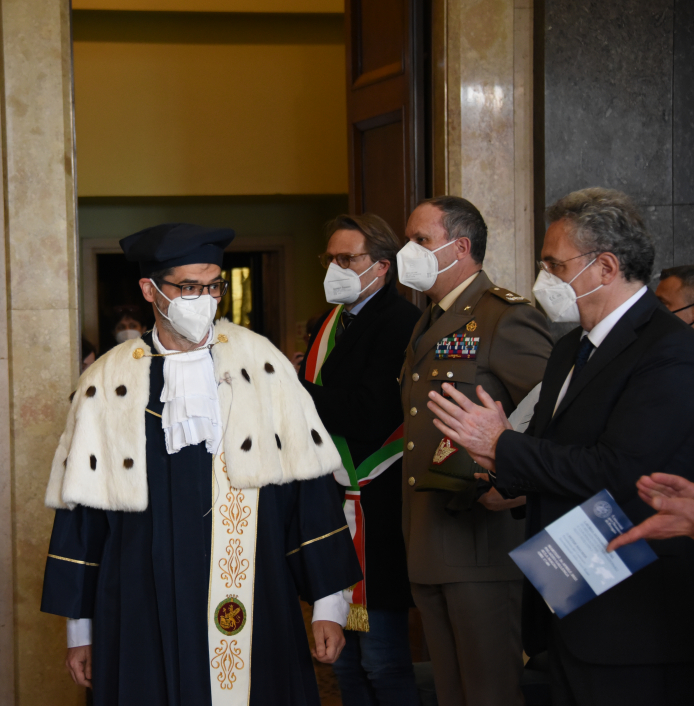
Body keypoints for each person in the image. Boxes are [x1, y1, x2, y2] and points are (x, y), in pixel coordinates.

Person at [41, 222, 363, 706]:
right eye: (189, 287)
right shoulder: (107, 380)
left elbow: (310, 492)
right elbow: (83, 520)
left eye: (213, 285)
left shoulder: (262, 364)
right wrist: (79, 630)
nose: (205, 298)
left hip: (256, 597)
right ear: (150, 290)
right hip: (137, 602)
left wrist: (329, 605)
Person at [427, 188, 694, 706]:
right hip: (568, 592)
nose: (543, 276)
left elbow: (619, 471)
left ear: (605, 267)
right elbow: (551, 452)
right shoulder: (572, 345)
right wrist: (501, 468)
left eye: (554, 263)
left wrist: (503, 446)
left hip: (634, 618)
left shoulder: (669, 350)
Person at [398, 196, 553, 706]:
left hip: (482, 545)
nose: (408, 250)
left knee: (489, 695)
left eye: (420, 240)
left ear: (459, 247)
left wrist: (509, 485)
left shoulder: (503, 317)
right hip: (430, 539)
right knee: (452, 695)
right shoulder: (428, 320)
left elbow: (556, 415)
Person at [298, 214, 421, 705]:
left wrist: (296, 393)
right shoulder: (329, 322)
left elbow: (371, 413)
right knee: (345, 664)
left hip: (379, 503)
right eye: (330, 258)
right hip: (335, 496)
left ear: (382, 267)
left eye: (347, 259)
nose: (335, 267)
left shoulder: (401, 323)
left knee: (383, 662)